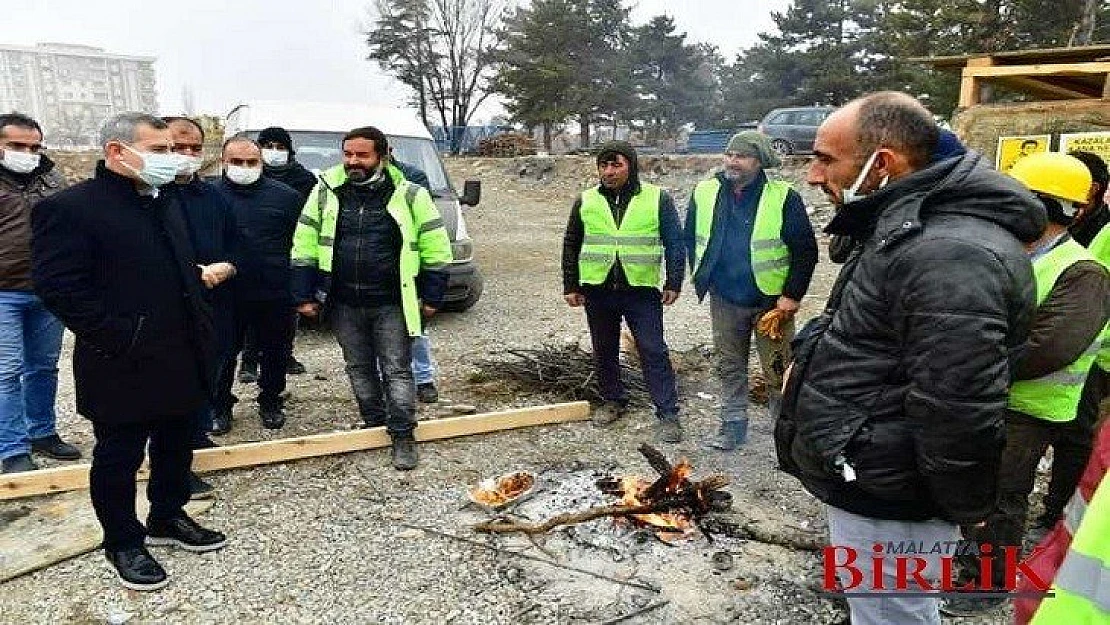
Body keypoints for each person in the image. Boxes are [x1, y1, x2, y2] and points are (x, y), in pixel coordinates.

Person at [776, 92, 1046, 624]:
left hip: (894, 490)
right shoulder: (909, 229)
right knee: (880, 608)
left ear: (885, 163)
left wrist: (951, 508)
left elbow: (959, 406)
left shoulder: (949, 253)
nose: (811, 175)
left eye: (826, 158)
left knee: (894, 614)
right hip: (875, 471)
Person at [32, 112, 226, 591]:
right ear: (118, 152)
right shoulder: (71, 209)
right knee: (119, 455)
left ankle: (167, 515)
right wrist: (121, 335)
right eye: (159, 151)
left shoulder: (163, 201)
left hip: (180, 350)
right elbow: (59, 287)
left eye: (175, 150)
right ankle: (122, 540)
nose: (173, 159)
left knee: (177, 443)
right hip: (120, 359)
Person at [944, 152, 1110, 616]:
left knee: (1002, 495)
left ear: (1047, 206)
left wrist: (970, 360)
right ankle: (970, 557)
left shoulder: (1083, 272)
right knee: (975, 486)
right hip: (992, 396)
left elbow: (1050, 348)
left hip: (1032, 407)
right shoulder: (1015, 254)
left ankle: (990, 583)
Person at [291, 126, 452, 470]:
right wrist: (303, 293)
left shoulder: (409, 194)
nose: (353, 161)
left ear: (383, 154)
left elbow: (436, 247)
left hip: (392, 302)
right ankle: (374, 422)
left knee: (396, 368)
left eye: (362, 155)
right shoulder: (325, 192)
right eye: (348, 154)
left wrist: (433, 296)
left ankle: (403, 434)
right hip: (343, 302)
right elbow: (304, 242)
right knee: (358, 367)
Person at [684, 131, 817, 450]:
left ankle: (784, 435)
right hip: (726, 297)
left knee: (778, 371)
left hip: (771, 302)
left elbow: (805, 250)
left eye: (741, 156)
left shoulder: (784, 197)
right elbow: (690, 237)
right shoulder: (704, 192)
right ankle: (732, 426)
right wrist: (704, 276)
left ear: (759, 162)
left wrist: (791, 296)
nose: (732, 161)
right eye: (729, 154)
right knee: (729, 366)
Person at [562, 141, 686, 442]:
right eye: (604, 165)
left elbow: (674, 242)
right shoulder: (587, 200)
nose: (609, 171)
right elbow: (571, 243)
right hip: (598, 289)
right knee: (604, 348)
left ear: (630, 166)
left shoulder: (657, 199)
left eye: (616, 164)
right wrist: (571, 284)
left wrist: (673, 282)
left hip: (640, 289)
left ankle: (668, 413)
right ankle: (613, 400)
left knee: (653, 349)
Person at [1034, 150, 1110, 535]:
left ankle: (1058, 515)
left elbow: (1091, 289)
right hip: (1092, 351)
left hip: (1092, 353)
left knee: (1079, 436)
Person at [163, 116, 238, 498]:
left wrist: (229, 264)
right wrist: (190, 273)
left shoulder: (213, 196)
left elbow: (236, 240)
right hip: (166, 305)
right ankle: (175, 470)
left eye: (195, 148)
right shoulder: (148, 196)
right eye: (178, 148)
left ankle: (196, 436)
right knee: (174, 381)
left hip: (214, 299)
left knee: (208, 369)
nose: (188, 155)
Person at [0, 112, 78, 473]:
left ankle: (42, 432)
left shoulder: (51, 177)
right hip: (3, 293)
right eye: (16, 145)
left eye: (33, 146)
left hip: (48, 289)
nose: (26, 153)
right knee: (6, 370)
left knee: (43, 367)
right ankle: (12, 449)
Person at [212, 137, 302, 433]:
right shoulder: (207, 196)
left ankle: (271, 400)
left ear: (261, 163)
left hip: (274, 290)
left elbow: (300, 244)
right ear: (224, 162)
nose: (245, 168)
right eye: (237, 162)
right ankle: (220, 406)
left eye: (252, 162)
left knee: (276, 351)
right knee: (222, 354)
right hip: (224, 293)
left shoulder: (286, 197)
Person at [240, 126, 313, 381]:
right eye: (268, 146)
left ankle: (285, 356)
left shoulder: (303, 181)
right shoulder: (248, 176)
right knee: (250, 313)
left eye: (280, 147)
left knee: (285, 314)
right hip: (253, 251)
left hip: (289, 252)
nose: (274, 152)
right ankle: (248, 361)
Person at [391, 151, 439, 404]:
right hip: (378, 271)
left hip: (410, 268)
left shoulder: (414, 178)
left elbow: (427, 222)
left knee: (416, 329)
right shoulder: (352, 182)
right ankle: (386, 381)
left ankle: (423, 379)